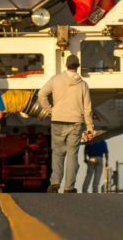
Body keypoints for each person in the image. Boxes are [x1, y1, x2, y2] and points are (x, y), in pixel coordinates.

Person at [37, 54, 93, 193]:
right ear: (78, 67)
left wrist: (50, 110)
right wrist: (90, 128)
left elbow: (41, 94)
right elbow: (88, 109)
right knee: (72, 154)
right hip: (75, 122)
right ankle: (69, 187)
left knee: (57, 153)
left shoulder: (55, 80)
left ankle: (55, 182)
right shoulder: (83, 85)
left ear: (66, 65)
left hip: (58, 120)